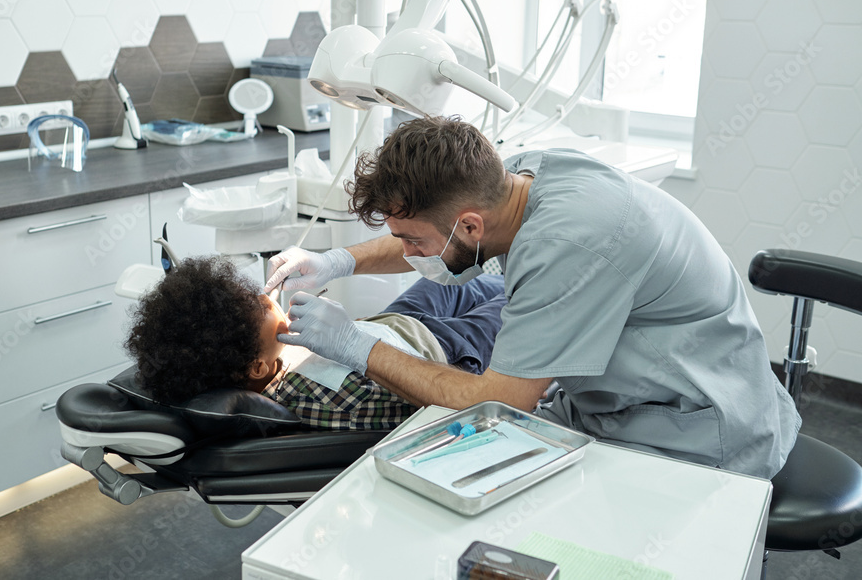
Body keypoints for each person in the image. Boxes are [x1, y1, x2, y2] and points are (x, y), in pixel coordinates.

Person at [265, 115, 801, 479]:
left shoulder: (568, 244)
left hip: (698, 427)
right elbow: (428, 231)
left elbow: (496, 401)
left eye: (412, 243)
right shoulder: (518, 178)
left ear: (470, 226)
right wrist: (338, 260)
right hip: (619, 399)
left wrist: (357, 346)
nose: (407, 252)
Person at [124, 255, 506, 430]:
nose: (265, 296)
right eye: (260, 307)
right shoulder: (327, 396)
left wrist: (336, 262)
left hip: (394, 321)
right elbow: (430, 400)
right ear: (256, 366)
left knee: (452, 277)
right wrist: (351, 343)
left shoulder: (266, 366)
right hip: (442, 349)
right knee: (512, 298)